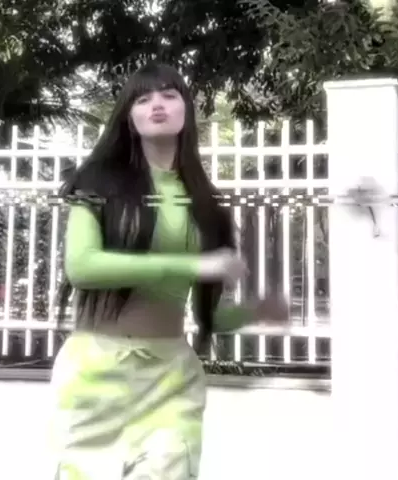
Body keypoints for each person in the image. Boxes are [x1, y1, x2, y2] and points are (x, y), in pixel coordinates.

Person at [50, 62, 288, 480]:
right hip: (96, 371)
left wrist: (257, 311)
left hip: (171, 376)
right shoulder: (98, 183)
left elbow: (207, 316)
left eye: (168, 94)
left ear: (186, 110)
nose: (156, 104)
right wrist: (192, 263)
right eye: (143, 99)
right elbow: (82, 267)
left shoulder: (205, 203)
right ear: (129, 117)